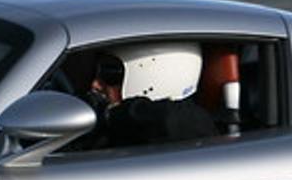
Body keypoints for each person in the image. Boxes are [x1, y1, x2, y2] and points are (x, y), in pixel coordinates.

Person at [84, 41, 217, 147]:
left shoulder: (191, 131)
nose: (95, 84)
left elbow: (169, 119)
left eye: (109, 73)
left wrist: (109, 114)